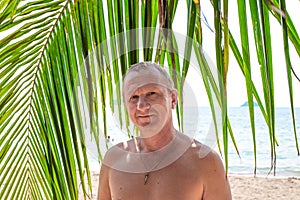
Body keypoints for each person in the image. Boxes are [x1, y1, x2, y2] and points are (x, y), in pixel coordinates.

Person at [98, 62, 231, 200]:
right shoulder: (113, 160)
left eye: (152, 94)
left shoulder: (206, 162)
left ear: (173, 99)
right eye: (134, 97)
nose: (142, 106)